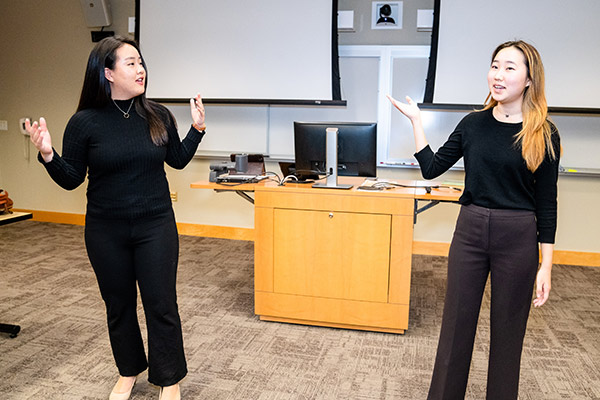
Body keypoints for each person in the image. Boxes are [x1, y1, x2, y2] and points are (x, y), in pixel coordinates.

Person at [26, 36, 207, 400]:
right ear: (107, 73)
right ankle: (128, 372)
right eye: (130, 63)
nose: (140, 70)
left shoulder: (157, 115)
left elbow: (177, 160)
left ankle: (169, 379)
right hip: (105, 229)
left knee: (161, 303)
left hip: (155, 224)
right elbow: (72, 178)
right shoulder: (84, 123)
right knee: (118, 303)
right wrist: (47, 154)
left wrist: (196, 130)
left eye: (141, 63)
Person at [388, 40, 560, 399]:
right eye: (495, 65)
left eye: (510, 68)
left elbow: (547, 203)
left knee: (508, 335)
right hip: (470, 232)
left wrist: (546, 265)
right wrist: (417, 122)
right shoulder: (473, 124)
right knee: (455, 329)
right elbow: (433, 168)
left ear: (529, 79)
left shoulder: (543, 133)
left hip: (518, 237)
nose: (498, 75)